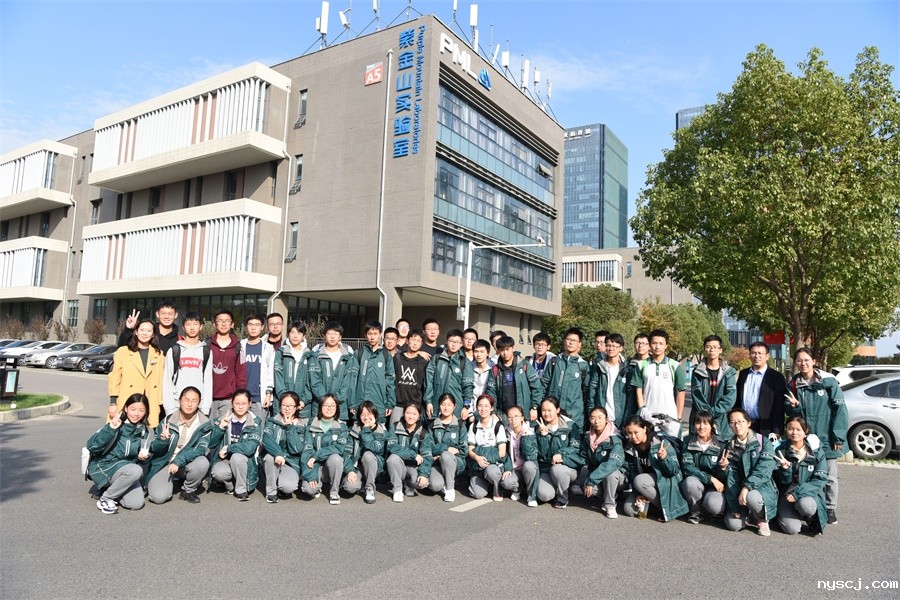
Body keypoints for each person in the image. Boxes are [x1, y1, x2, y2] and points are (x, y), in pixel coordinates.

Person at [785, 347, 847, 525]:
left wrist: (838, 435)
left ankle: (830, 508)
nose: (803, 363)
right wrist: (795, 407)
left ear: (814, 361)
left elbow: (840, 409)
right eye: (799, 360)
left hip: (826, 436)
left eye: (806, 360)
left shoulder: (828, 382)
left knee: (830, 476)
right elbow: (790, 413)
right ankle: (810, 507)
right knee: (806, 473)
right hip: (804, 439)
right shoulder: (793, 384)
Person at [85, 393, 153, 514]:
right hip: (104, 467)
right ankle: (106, 498)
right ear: (126, 408)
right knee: (136, 470)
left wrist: (143, 458)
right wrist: (111, 428)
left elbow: (138, 455)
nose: (136, 414)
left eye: (141, 410)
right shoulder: (116, 424)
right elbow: (92, 446)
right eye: (133, 409)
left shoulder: (143, 431)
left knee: (136, 503)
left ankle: (110, 490)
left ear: (146, 412)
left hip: (125, 471)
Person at [146, 386, 213, 504]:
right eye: (186, 400)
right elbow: (153, 448)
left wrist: (178, 461)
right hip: (165, 463)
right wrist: (162, 440)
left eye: (194, 401)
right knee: (158, 497)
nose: (190, 404)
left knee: (202, 462)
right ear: (179, 400)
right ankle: (168, 482)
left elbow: (200, 449)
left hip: (185, 463)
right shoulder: (168, 420)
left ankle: (188, 490)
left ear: (199, 403)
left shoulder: (204, 424)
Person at [720, 408, 778, 536]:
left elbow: (764, 471)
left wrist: (746, 487)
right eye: (733, 422)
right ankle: (747, 514)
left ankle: (762, 518)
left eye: (740, 421)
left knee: (752, 497)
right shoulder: (729, 446)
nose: (737, 425)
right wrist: (723, 468)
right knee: (734, 525)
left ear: (749, 423)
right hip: (737, 491)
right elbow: (730, 479)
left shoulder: (763, 442)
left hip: (761, 488)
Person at [621, 415, 688, 522]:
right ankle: (654, 505)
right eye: (629, 433)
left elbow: (674, 471)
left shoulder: (660, 443)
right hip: (646, 487)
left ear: (644, 429)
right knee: (629, 510)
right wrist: (638, 494)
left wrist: (664, 458)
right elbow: (632, 472)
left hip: (666, 483)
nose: (633, 436)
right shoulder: (630, 447)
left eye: (636, 432)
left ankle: (668, 509)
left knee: (640, 480)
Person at [773, 416, 829, 535]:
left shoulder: (816, 451)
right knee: (792, 529)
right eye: (790, 429)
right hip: (786, 495)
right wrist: (785, 470)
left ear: (805, 431)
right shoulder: (780, 450)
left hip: (808, 494)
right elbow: (780, 482)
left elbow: (820, 479)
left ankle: (811, 518)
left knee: (806, 505)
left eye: (798, 429)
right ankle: (782, 514)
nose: (794, 432)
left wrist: (797, 494)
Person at [108, 318, 165, 428]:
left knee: (143, 434)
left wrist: (158, 404)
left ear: (153, 334)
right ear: (136, 332)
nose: (144, 333)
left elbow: (159, 381)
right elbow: (114, 377)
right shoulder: (123, 351)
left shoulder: (158, 354)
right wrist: (113, 403)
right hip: (127, 400)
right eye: (142, 330)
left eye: (149, 331)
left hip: (148, 402)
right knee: (120, 431)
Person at [208, 389, 262, 501]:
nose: (240, 407)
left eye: (244, 403)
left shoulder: (255, 422)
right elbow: (211, 444)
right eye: (237, 403)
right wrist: (220, 427)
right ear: (232, 403)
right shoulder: (222, 419)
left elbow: (249, 448)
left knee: (237, 456)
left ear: (250, 404)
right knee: (218, 473)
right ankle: (231, 485)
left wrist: (228, 448)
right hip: (225, 459)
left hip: (245, 461)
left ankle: (241, 490)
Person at [632, 329, 686, 437]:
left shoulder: (674, 365)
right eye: (654, 343)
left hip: (670, 417)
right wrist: (642, 409)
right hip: (648, 416)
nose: (657, 346)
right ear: (649, 345)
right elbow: (638, 389)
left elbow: (680, 391)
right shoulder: (641, 365)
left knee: (670, 445)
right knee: (648, 445)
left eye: (661, 343)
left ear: (666, 345)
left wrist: (678, 416)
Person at [534, 396, 584, 509]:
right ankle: (557, 487)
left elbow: (575, 448)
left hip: (567, 467)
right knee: (544, 495)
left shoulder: (570, 425)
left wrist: (561, 454)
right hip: (547, 468)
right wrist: (543, 436)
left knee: (558, 470)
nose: (546, 413)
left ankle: (562, 498)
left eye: (549, 410)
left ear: (557, 410)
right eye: (543, 410)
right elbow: (542, 454)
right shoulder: (539, 426)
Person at [680, 410, 728, 524]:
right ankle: (696, 511)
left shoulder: (722, 445)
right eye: (698, 423)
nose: (701, 427)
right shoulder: (687, 442)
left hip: (715, 486)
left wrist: (723, 468)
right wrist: (710, 479)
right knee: (689, 482)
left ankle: (710, 509)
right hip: (698, 482)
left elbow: (723, 477)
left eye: (705, 423)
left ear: (712, 425)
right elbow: (688, 468)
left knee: (715, 506)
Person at [300, 394, 349, 505]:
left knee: (336, 458)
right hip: (314, 466)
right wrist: (311, 475)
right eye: (326, 405)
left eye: (332, 405)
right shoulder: (311, 424)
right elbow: (307, 450)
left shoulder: (341, 426)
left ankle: (334, 492)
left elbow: (339, 448)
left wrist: (316, 456)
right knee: (309, 490)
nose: (329, 408)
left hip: (330, 466)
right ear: (320, 407)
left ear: (337, 408)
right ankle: (317, 485)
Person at [576, 406, 625, 519]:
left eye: (600, 417)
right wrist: (563, 457)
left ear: (606, 419)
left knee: (611, 474)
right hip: (598, 475)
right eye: (593, 418)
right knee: (586, 488)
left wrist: (592, 480)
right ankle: (611, 494)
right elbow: (582, 456)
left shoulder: (615, 438)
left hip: (619, 476)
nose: (596, 421)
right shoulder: (589, 437)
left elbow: (612, 464)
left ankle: (610, 505)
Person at [163, 311, 213, 417]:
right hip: (176, 405)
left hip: (198, 406)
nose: (192, 327)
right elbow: (167, 381)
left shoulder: (206, 351)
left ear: (201, 326)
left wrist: (205, 408)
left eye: (195, 324)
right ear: (183, 327)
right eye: (188, 324)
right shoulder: (174, 350)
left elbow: (208, 381)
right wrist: (169, 409)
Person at [261, 391, 308, 503]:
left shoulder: (303, 423)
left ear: (296, 407)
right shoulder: (272, 420)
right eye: (284, 405)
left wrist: (289, 428)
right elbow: (267, 439)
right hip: (275, 459)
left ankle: (281, 482)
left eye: (291, 406)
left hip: (291, 463)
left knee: (287, 487)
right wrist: (278, 454)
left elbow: (297, 449)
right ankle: (271, 492)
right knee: (269, 457)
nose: (287, 408)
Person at [540, 327, 590, 430]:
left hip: (574, 414)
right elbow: (543, 385)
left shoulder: (583, 365)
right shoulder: (554, 361)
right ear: (564, 341)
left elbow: (586, 391)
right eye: (569, 339)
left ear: (579, 344)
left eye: (574, 340)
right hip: (553, 412)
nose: (571, 343)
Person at [309, 321, 359, 423]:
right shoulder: (316, 356)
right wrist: (326, 401)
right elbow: (314, 381)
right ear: (324, 336)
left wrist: (335, 400)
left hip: (340, 407)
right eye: (329, 333)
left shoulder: (348, 357)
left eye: (335, 334)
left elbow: (348, 382)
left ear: (340, 337)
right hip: (320, 405)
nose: (332, 337)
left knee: (339, 431)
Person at [484, 335, 542, 422]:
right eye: (502, 350)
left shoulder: (524, 365)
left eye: (507, 349)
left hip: (523, 413)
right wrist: (493, 412)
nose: (505, 353)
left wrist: (534, 407)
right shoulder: (495, 369)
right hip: (503, 415)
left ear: (513, 348)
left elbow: (536, 387)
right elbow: (491, 392)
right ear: (498, 350)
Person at [736, 342, 787, 439]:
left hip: (765, 426)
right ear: (749, 355)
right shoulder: (743, 374)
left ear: (767, 356)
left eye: (760, 353)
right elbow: (738, 399)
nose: (756, 356)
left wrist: (777, 430)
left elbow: (779, 406)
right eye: (753, 353)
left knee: (763, 448)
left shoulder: (776, 377)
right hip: (744, 425)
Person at [689, 335, 737, 440]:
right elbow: (697, 396)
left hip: (722, 419)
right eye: (708, 347)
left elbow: (730, 397)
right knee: (698, 445)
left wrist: (712, 413)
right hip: (700, 418)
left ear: (720, 350)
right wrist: (706, 415)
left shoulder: (729, 372)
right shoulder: (697, 372)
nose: (712, 350)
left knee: (721, 446)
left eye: (715, 347)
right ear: (704, 349)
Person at [342, 401, 387, 504]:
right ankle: (361, 483)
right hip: (357, 467)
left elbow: (374, 448)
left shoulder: (381, 431)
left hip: (374, 467)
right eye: (362, 414)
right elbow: (347, 452)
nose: (366, 417)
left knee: (368, 455)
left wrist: (366, 429)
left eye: (369, 413)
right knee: (350, 488)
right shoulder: (353, 430)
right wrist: (350, 470)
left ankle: (370, 488)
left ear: (375, 414)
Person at [385, 402, 432, 502]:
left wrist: (423, 474)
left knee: (422, 484)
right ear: (403, 413)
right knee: (392, 458)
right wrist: (413, 455)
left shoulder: (423, 432)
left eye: (414, 414)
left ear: (419, 416)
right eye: (408, 413)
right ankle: (397, 489)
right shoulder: (395, 426)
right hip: (399, 466)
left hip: (413, 467)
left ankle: (408, 484)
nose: (410, 416)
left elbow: (427, 455)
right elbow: (391, 446)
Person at [466, 394, 509, 501]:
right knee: (477, 494)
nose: (483, 409)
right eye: (480, 406)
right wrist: (477, 458)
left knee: (491, 472)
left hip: (493, 464)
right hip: (478, 465)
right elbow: (470, 450)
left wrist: (483, 455)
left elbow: (502, 452)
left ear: (492, 408)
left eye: (486, 406)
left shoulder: (498, 426)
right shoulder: (473, 426)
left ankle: (497, 487)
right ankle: (488, 485)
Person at [588, 332, 635, 429]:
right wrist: (591, 412)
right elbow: (592, 391)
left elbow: (630, 397)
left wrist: (626, 419)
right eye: (608, 345)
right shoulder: (599, 366)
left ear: (621, 348)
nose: (611, 348)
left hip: (620, 417)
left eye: (614, 346)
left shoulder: (627, 369)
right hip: (601, 418)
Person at [425, 329, 474, 420]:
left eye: (457, 342)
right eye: (451, 341)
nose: (454, 344)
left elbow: (468, 386)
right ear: (447, 342)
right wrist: (428, 402)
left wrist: (466, 406)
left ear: (461, 344)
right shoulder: (437, 358)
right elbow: (428, 381)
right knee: (434, 426)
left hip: (457, 407)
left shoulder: (464, 362)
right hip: (436, 405)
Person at [353, 320, 396, 424]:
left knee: (379, 432)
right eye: (369, 334)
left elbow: (391, 380)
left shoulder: (386, 355)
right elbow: (352, 380)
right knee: (358, 431)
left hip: (379, 404)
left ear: (380, 334)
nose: (372, 337)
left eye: (375, 334)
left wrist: (390, 403)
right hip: (360, 404)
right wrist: (352, 403)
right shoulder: (359, 353)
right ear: (365, 335)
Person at [427, 393, 468, 502]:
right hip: (436, 462)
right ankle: (445, 482)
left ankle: (450, 489)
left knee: (446, 456)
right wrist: (446, 449)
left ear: (454, 406)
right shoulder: (432, 425)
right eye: (443, 404)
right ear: (439, 405)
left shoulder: (460, 425)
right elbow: (429, 447)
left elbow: (464, 450)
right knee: (435, 485)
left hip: (456, 462)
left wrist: (445, 454)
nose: (446, 408)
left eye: (449, 405)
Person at [273, 321, 316, 419]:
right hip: (283, 402)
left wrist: (304, 400)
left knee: (300, 427)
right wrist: (285, 399)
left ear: (303, 336)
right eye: (292, 332)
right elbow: (277, 376)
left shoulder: (309, 355)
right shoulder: (281, 352)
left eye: (299, 333)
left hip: (302, 404)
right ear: (288, 334)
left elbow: (311, 380)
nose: (295, 336)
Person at [209, 309, 246, 420]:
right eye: (220, 321)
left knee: (225, 427)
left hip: (229, 398)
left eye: (227, 321)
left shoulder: (238, 347)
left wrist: (239, 395)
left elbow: (241, 373)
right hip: (208, 397)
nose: (223, 324)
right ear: (215, 324)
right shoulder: (207, 345)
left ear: (232, 324)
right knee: (207, 428)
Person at [239, 313, 275, 420]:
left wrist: (268, 394)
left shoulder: (267, 348)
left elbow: (270, 372)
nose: (253, 328)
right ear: (246, 326)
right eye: (250, 324)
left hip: (260, 397)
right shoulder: (240, 346)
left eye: (257, 325)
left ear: (262, 327)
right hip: (241, 396)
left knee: (258, 427)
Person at [502, 405, 540, 506]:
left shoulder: (530, 431)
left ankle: (531, 494)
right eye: (510, 417)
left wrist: (526, 438)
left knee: (529, 466)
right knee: (506, 482)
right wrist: (507, 468)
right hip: (514, 468)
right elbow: (505, 453)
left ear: (522, 417)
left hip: (526, 467)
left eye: (516, 416)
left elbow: (532, 456)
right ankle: (517, 489)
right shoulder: (505, 431)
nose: (513, 419)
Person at [393, 328, 429, 425]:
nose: (415, 343)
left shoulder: (424, 361)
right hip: (398, 404)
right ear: (407, 341)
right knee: (394, 429)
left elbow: (426, 383)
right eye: (413, 340)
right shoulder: (397, 358)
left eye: (418, 341)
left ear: (421, 344)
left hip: (415, 405)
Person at [471, 339, 492, 407]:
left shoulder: (493, 368)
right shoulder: (468, 368)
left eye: (482, 352)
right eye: (476, 351)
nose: (479, 355)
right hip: (471, 407)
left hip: (486, 408)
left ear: (487, 353)